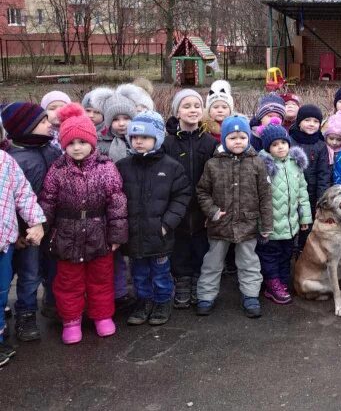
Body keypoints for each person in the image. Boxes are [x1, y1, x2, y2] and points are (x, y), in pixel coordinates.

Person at [38, 104, 128, 344]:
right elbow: (48, 200)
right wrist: (43, 229)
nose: (76, 148)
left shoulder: (106, 167)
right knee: (69, 281)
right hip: (67, 235)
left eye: (82, 142)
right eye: (71, 143)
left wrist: (117, 235)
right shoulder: (57, 170)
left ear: (92, 142)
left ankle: (102, 316)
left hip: (99, 233)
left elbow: (116, 201)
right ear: (64, 145)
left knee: (101, 279)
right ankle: (71, 320)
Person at [117, 111, 192, 326]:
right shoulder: (123, 166)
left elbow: (182, 196)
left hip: (160, 234)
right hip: (134, 234)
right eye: (135, 138)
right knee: (139, 273)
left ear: (157, 138)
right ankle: (143, 302)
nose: (139, 142)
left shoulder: (171, 167)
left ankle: (162, 302)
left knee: (160, 273)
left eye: (145, 138)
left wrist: (167, 223)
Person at [195, 116, 273, 318]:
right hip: (220, 224)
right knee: (212, 262)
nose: (238, 141)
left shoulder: (257, 163)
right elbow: (202, 191)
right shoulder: (212, 164)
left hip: (247, 224)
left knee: (249, 263)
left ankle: (250, 296)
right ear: (223, 139)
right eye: (232, 137)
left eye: (242, 137)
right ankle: (206, 296)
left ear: (248, 138)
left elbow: (265, 195)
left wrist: (266, 224)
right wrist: (212, 211)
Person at [2, 103, 60, 342]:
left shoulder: (52, 150)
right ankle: (25, 314)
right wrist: (18, 232)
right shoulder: (15, 159)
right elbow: (11, 200)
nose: (50, 124)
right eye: (44, 121)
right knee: (29, 273)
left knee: (53, 269)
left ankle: (52, 303)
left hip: (53, 225)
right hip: (28, 231)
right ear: (27, 128)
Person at [163, 90, 218, 310]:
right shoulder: (168, 144)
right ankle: (183, 282)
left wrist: (213, 207)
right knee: (180, 246)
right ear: (177, 112)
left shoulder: (209, 143)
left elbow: (217, 177)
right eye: (187, 106)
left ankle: (198, 282)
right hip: (178, 206)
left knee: (201, 246)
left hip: (202, 205)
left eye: (197, 105)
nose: (193, 110)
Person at [256, 120, 311, 304]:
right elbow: (258, 197)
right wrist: (261, 223)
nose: (280, 147)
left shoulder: (295, 164)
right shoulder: (264, 166)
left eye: (283, 143)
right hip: (270, 225)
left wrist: (305, 217)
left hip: (290, 223)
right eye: (275, 144)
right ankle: (272, 284)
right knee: (270, 255)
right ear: (267, 147)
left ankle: (280, 281)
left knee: (287, 254)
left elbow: (302, 191)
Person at [0, 147, 45, 367]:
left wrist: (35, 222)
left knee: (1, 292)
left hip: (3, 241)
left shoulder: (5, 161)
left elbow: (23, 194)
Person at [287, 105, 330, 249]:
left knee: (307, 229)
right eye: (307, 120)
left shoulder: (321, 145)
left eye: (316, 121)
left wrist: (321, 199)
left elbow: (323, 174)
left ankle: (303, 253)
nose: (311, 124)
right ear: (299, 122)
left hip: (311, 195)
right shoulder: (289, 141)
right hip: (291, 193)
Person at [96, 88, 138, 162]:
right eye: (115, 119)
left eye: (126, 118)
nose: (121, 124)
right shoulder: (100, 142)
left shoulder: (141, 138)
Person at [203, 80, 235, 144]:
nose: (220, 110)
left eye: (224, 107)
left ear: (230, 110)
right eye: (215, 107)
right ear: (209, 111)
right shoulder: (203, 127)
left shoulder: (235, 125)